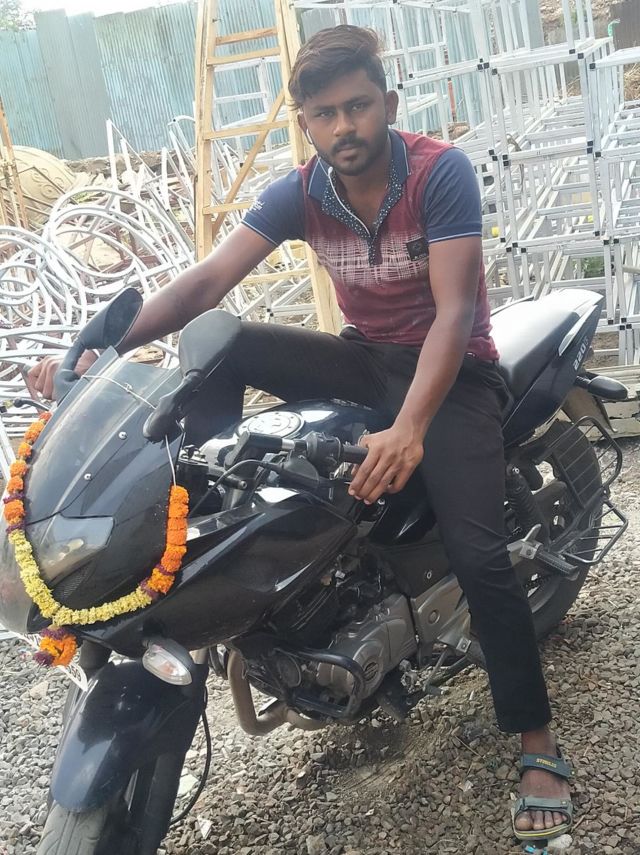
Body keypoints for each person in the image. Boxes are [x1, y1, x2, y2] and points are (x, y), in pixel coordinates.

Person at [29, 25, 573, 843]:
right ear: (305, 123)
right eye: (325, 114)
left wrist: (410, 429)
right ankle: (190, 496)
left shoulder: (439, 173)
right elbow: (207, 283)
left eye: (358, 106)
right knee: (225, 337)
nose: (345, 125)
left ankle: (535, 741)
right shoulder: (302, 192)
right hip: (365, 360)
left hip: (454, 373)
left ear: (388, 103)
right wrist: (102, 347)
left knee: (479, 552)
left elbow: (455, 311)